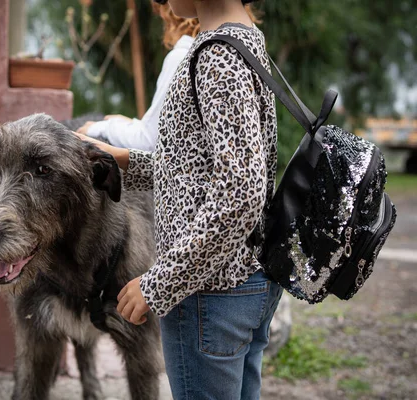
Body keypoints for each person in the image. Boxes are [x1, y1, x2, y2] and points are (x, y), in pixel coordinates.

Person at [76, 0, 282, 399]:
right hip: (242, 282)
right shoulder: (243, 39)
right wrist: (123, 161)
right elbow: (199, 170)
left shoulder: (217, 56)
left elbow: (241, 191)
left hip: (210, 295)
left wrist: (159, 284)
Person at [76, 3, 199, 151]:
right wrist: (133, 124)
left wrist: (100, 128)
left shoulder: (181, 57)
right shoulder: (215, 50)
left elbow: (149, 141)